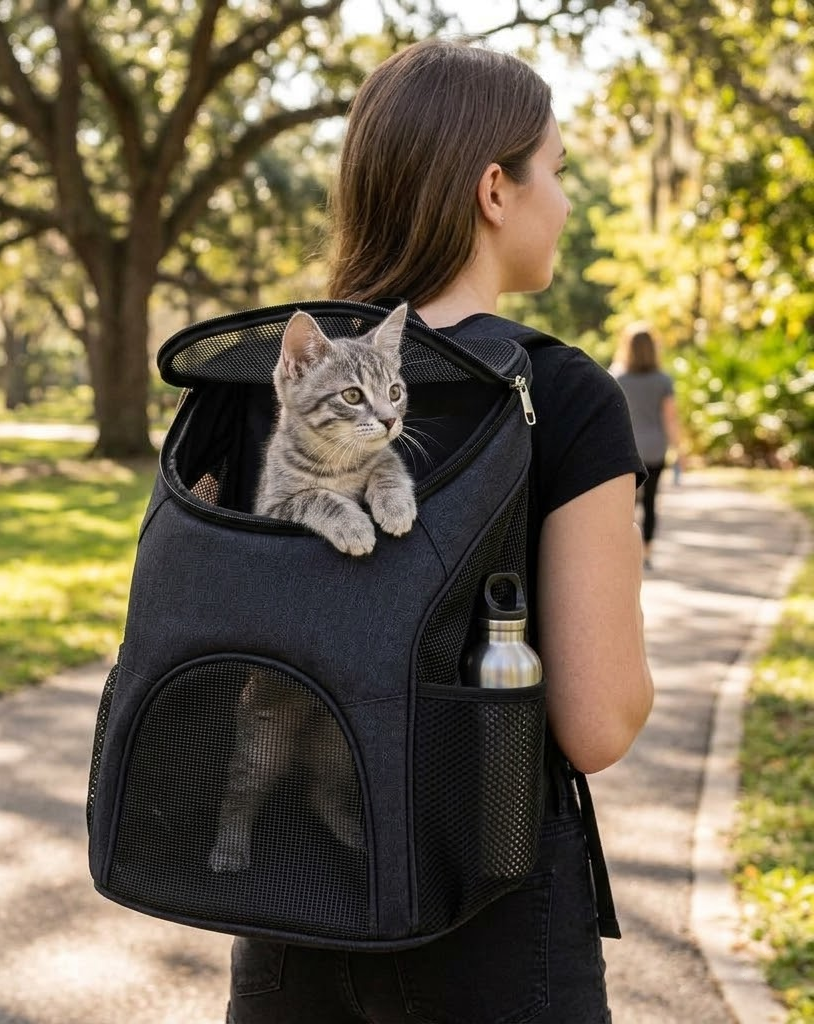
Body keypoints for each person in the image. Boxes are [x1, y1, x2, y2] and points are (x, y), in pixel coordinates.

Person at [227, 38, 654, 1024]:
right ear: (493, 189)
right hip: (487, 917)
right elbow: (595, 722)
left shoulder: (262, 382)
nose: (566, 198)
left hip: (289, 914)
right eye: (557, 170)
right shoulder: (561, 394)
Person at [613, 325, 682, 569]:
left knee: (625, 504)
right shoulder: (663, 381)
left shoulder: (617, 378)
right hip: (655, 450)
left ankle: (623, 554)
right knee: (651, 502)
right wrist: (679, 450)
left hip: (627, 449)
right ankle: (647, 554)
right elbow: (670, 418)